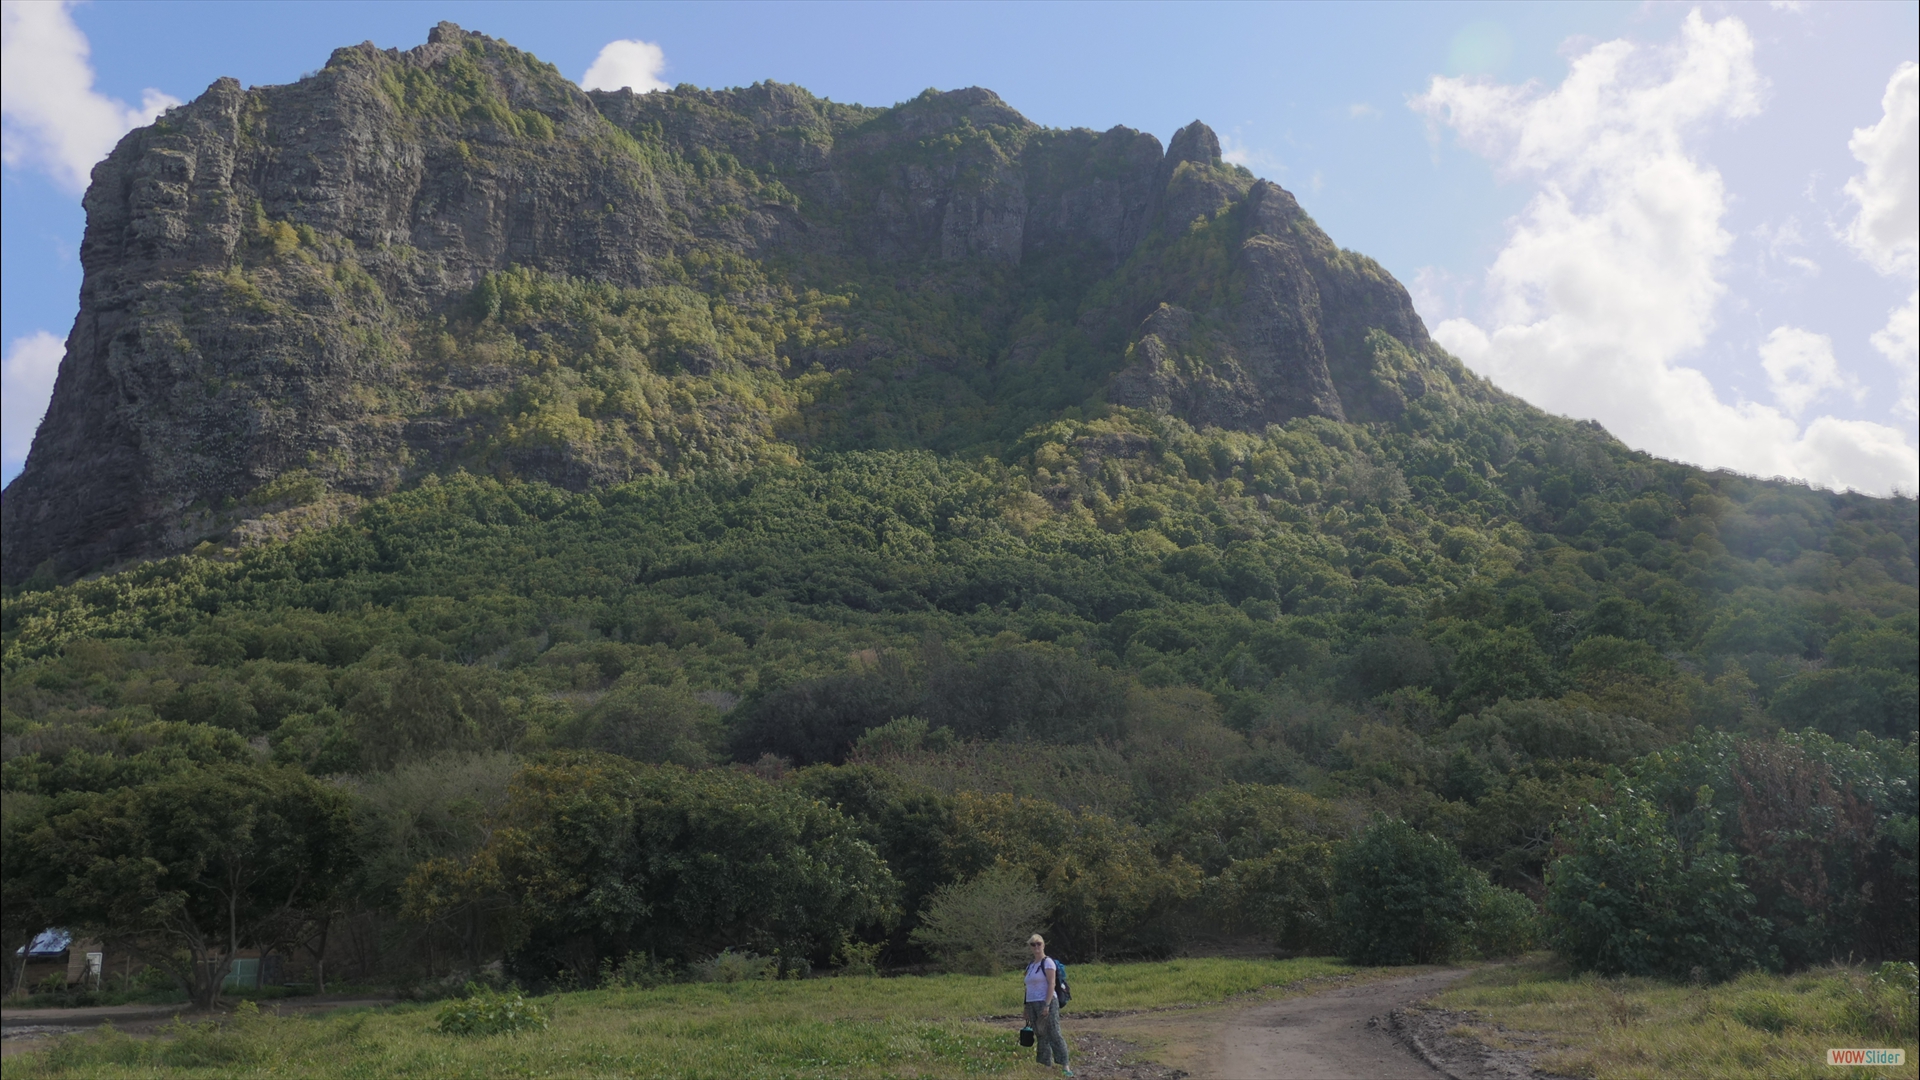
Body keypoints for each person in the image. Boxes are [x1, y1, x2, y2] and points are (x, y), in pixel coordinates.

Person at [1023, 934, 1071, 1075]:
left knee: (1054, 1033)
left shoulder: (1048, 962)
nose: (1036, 946)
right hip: (1032, 1003)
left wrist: (1047, 1004)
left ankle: (1065, 1065)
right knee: (1040, 1034)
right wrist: (1025, 1007)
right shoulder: (1030, 966)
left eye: (1038, 943)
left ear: (1043, 945)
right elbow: (1027, 988)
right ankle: (1046, 1066)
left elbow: (1051, 984)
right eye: (1033, 944)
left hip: (1047, 1001)